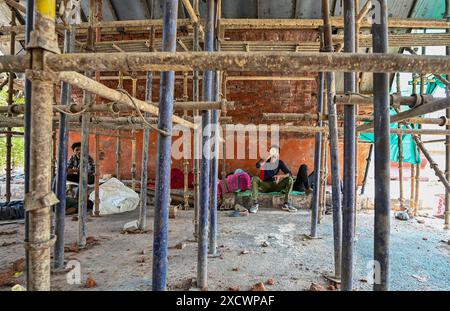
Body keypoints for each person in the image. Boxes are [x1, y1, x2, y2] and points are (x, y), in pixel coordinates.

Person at [250, 145, 296, 213]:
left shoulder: (280, 163)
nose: (274, 153)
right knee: (255, 178)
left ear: (278, 154)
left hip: (276, 185)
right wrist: (268, 156)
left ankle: (286, 203)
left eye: (276, 152)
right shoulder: (265, 160)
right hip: (265, 185)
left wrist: (281, 176)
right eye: (272, 151)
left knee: (290, 179)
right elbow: (258, 165)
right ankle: (255, 203)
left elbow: (290, 174)